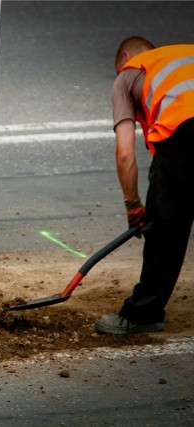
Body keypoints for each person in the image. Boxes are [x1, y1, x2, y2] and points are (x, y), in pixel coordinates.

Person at [94, 37, 194, 335]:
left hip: (185, 131)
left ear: (126, 56)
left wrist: (134, 205)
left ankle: (143, 313)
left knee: (166, 228)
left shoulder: (128, 73)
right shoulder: (185, 55)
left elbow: (125, 152)